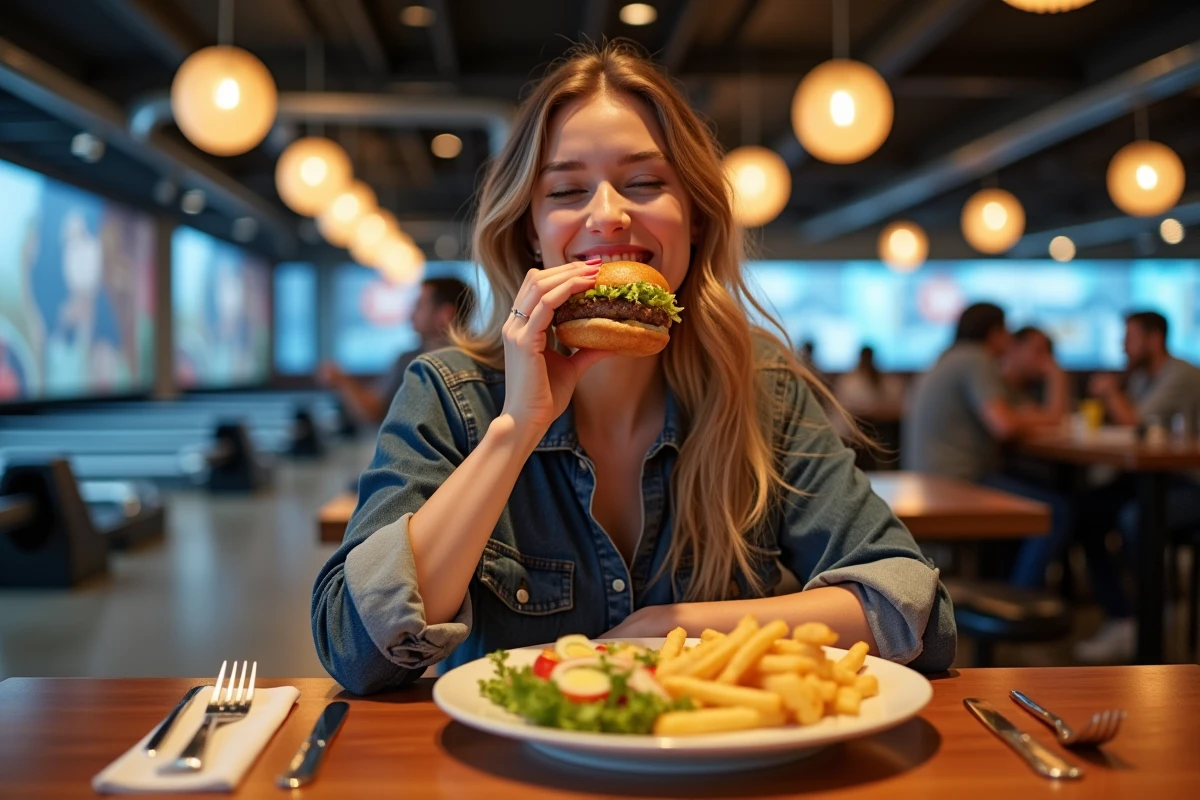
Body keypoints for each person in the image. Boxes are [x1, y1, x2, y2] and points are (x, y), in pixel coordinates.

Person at [311, 42, 955, 695]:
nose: (608, 214)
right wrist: (516, 429)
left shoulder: (762, 386)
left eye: (646, 183)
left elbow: (915, 608)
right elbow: (355, 649)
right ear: (531, 229)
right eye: (565, 189)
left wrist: (668, 629)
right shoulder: (449, 394)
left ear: (696, 217)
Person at [904, 303, 1070, 587]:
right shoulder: (975, 359)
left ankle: (1005, 593)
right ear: (994, 333)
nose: (1009, 339)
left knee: (1033, 493)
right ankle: (1017, 606)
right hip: (956, 481)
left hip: (929, 478)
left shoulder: (948, 358)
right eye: (1006, 331)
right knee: (1055, 512)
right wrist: (1055, 375)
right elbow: (1004, 424)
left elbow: (1012, 412)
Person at [1074, 311, 1200, 662]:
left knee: (1136, 517)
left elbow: (1138, 424)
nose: (1122, 346)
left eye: (1129, 338)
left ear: (1154, 339)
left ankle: (1152, 617)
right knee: (1086, 512)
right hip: (1157, 477)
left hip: (1190, 482)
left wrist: (1112, 391)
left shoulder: (1182, 375)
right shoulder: (1144, 376)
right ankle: (1123, 617)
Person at [319, 277, 476, 424]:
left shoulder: (413, 362)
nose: (411, 316)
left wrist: (341, 381)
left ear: (445, 314)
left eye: (419, 306)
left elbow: (374, 412)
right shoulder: (485, 356)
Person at [1001, 326, 1069, 418]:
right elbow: (1055, 417)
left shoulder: (1026, 390)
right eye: (1039, 350)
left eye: (1048, 352)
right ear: (1014, 346)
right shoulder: (995, 383)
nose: (1046, 359)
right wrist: (1056, 374)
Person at [834, 346, 905, 420]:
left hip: (885, 425)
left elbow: (900, 408)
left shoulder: (890, 382)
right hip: (857, 424)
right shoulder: (849, 382)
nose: (867, 361)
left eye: (868, 358)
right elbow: (844, 410)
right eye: (865, 358)